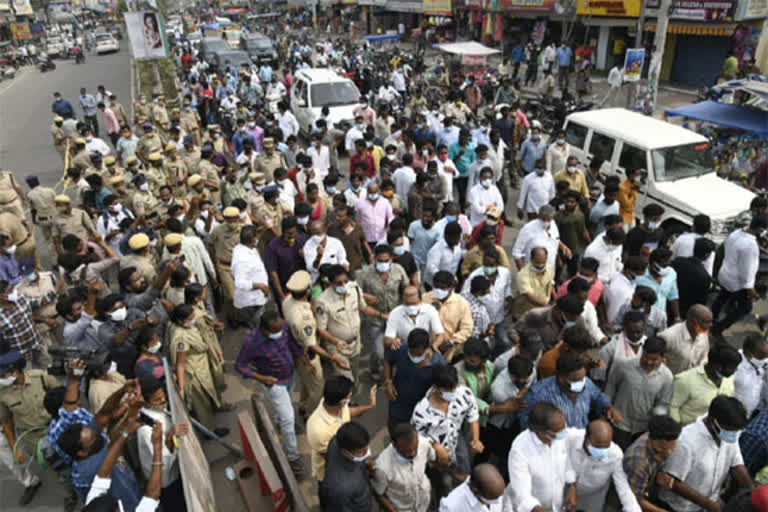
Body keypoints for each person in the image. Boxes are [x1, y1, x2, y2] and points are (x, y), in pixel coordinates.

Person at [235, 309, 307, 475]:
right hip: (274, 384)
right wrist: (261, 378)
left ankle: (279, 421)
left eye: (281, 329)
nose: (280, 333)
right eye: (276, 331)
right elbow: (240, 365)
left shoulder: (283, 328)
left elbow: (292, 345)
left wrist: (303, 359)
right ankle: (293, 457)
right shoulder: (252, 342)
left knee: (284, 412)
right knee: (289, 419)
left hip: (289, 376)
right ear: (265, 329)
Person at [658, 396, 753, 512]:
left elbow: (737, 465)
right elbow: (670, 481)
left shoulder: (728, 434)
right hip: (678, 507)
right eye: (730, 431)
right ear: (714, 421)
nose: (734, 435)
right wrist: (707, 504)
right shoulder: (686, 442)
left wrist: (753, 493)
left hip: (707, 505)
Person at [411, 364, 482, 481]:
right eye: (446, 390)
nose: (452, 392)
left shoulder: (464, 394)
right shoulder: (421, 411)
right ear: (435, 387)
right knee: (444, 483)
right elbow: (416, 436)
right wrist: (435, 446)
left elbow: (473, 415)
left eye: (454, 387)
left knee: (463, 467)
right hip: (435, 457)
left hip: (455, 442)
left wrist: (476, 440)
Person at [316, 264, 382, 384]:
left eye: (345, 281)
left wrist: (381, 315)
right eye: (339, 283)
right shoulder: (323, 302)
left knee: (355, 377)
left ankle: (352, 400)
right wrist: (336, 341)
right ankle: (346, 400)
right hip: (337, 348)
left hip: (355, 344)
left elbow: (364, 308)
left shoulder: (354, 289)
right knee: (346, 380)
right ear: (331, 284)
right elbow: (321, 329)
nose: (343, 285)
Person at [605, 336, 674, 449]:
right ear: (642, 351)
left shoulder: (667, 377)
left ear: (662, 358)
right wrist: (609, 409)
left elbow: (663, 403)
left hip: (643, 430)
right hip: (619, 425)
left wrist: (657, 419)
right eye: (645, 357)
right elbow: (610, 388)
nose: (648, 362)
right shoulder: (623, 366)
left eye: (654, 359)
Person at [521, 352, 622, 429]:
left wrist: (608, 407)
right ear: (561, 378)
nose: (582, 382)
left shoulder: (586, 383)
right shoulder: (538, 394)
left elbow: (598, 396)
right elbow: (524, 420)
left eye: (583, 377)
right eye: (576, 380)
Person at [507, 402, 577, 512]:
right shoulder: (520, 450)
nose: (563, 434)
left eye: (564, 427)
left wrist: (572, 487)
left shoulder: (560, 436)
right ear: (541, 432)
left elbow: (567, 463)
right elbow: (522, 495)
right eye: (557, 433)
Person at [306, 376, 376, 482]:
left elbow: (348, 412)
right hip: (331, 474)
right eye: (349, 396)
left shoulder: (334, 404)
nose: (350, 399)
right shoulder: (317, 431)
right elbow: (333, 458)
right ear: (343, 401)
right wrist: (361, 462)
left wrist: (369, 406)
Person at [135, 374, 188, 510]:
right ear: (147, 402)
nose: (163, 400)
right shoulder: (146, 430)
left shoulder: (156, 410)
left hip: (174, 471)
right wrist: (170, 437)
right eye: (157, 400)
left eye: (163, 395)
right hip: (166, 481)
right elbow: (162, 463)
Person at [357, 244, 409, 382]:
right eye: (380, 261)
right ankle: (375, 370)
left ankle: (394, 372)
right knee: (378, 352)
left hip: (395, 317)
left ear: (391, 258)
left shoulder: (398, 270)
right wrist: (367, 297)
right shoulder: (364, 274)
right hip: (375, 318)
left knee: (397, 346)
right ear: (374, 259)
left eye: (386, 260)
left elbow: (406, 288)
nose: (383, 264)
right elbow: (356, 294)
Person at [566, 419, 641, 511]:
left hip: (593, 497)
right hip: (565, 490)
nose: (602, 451)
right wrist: (571, 484)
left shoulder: (615, 454)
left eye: (606, 447)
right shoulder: (570, 437)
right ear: (586, 438)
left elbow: (624, 487)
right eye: (597, 446)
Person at [374, 422, 449, 512]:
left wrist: (442, 455)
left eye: (415, 448)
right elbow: (379, 494)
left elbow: (434, 460)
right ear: (395, 446)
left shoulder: (423, 444)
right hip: (402, 509)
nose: (413, 453)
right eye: (407, 451)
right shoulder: (382, 467)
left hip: (424, 502)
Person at [712, 214, 765, 337]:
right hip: (737, 283)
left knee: (721, 298)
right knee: (745, 307)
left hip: (725, 273)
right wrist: (751, 290)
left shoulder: (736, 233)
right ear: (760, 229)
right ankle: (718, 328)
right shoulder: (750, 246)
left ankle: (711, 319)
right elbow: (747, 271)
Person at [669, 343, 740, 426]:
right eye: (732, 368)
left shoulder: (729, 378)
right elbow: (673, 407)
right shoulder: (685, 380)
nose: (735, 371)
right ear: (718, 366)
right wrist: (677, 429)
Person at [622, 414, 682, 511]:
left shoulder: (661, 438)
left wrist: (660, 474)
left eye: (672, 447)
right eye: (664, 449)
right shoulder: (638, 463)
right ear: (651, 439)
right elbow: (634, 499)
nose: (669, 452)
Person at [318, 421, 373, 511]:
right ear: (345, 451)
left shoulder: (337, 441)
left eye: (367, 447)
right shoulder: (340, 489)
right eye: (361, 452)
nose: (367, 453)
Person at [231, 224, 269, 328]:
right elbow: (239, 283)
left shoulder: (243, 247)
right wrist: (261, 286)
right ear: (253, 239)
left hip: (258, 296)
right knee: (259, 326)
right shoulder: (242, 260)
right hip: (252, 302)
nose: (258, 239)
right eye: (256, 236)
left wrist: (261, 231)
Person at [658, 304, 712, 375]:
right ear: (693, 322)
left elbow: (704, 357)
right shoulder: (668, 336)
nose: (710, 325)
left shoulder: (703, 333)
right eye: (707, 322)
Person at [671, 237, 716, 317]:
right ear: (707, 255)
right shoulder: (704, 277)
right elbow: (700, 303)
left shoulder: (677, 262)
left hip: (670, 304)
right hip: (686, 312)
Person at [439, 463, 505, 512]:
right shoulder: (451, 507)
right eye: (492, 498)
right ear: (476, 491)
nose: (498, 501)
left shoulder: (494, 492)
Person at [734, 333, 768, 419]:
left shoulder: (758, 361)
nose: (765, 360)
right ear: (749, 354)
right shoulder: (736, 367)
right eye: (762, 357)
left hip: (752, 411)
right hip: (737, 415)